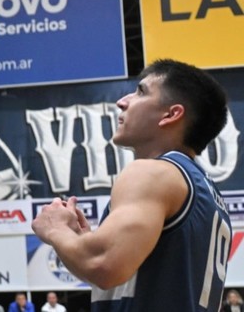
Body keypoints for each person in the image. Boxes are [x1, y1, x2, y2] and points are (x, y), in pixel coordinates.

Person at [32, 59, 232, 312]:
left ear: (171, 114)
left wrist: (55, 229)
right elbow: (118, 277)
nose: (122, 101)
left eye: (140, 92)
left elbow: (104, 266)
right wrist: (82, 242)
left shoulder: (153, 172)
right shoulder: (208, 194)